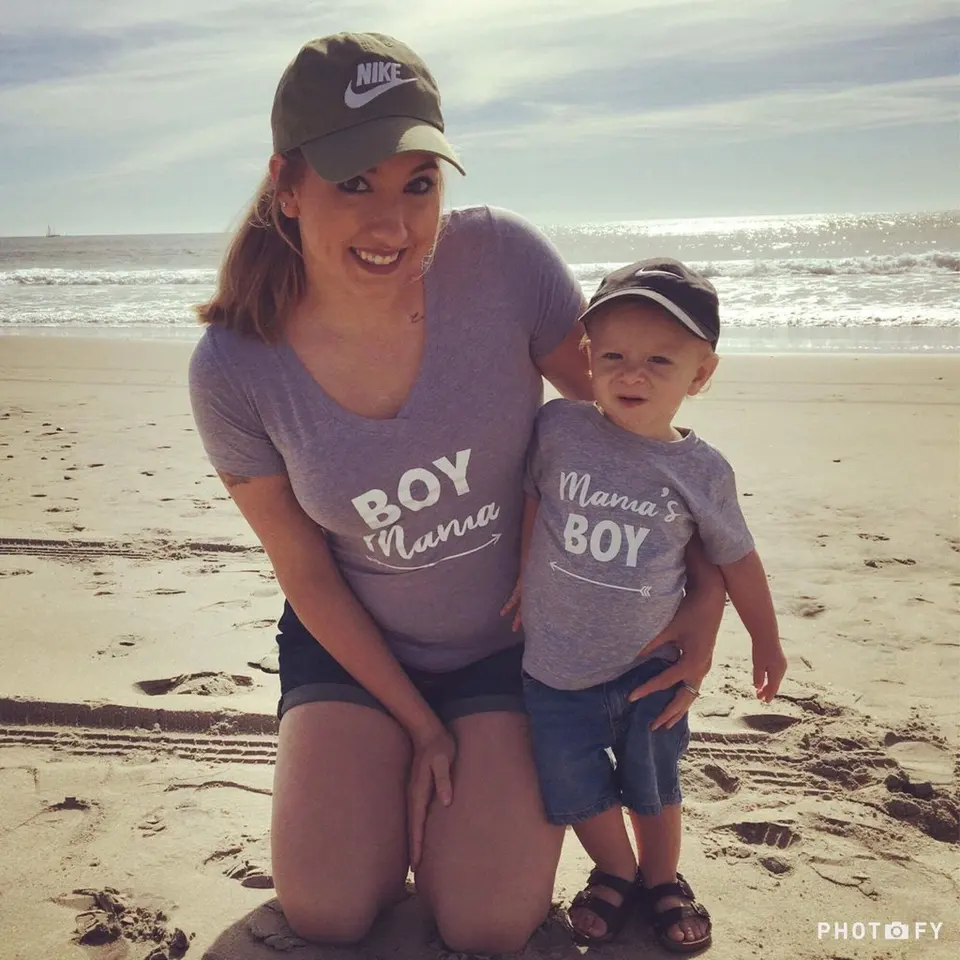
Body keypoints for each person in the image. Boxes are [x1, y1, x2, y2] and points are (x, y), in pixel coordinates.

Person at [189, 32, 725, 953]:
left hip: (515, 654)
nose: (393, 225)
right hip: (356, 655)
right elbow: (304, 572)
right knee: (327, 910)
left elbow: (641, 440)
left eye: (418, 184)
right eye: (354, 183)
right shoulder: (233, 369)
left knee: (486, 922)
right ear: (287, 185)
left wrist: (705, 600)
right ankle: (384, 755)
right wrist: (415, 725)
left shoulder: (504, 261)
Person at [502, 259, 788, 953]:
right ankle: (615, 871)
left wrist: (765, 639)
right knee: (573, 784)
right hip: (554, 667)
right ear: (588, 358)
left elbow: (736, 559)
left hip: (651, 667)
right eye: (615, 357)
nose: (633, 375)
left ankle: (662, 878)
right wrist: (523, 573)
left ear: (701, 374)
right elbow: (534, 495)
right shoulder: (559, 427)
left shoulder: (701, 471)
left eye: (660, 360)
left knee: (653, 782)